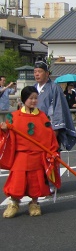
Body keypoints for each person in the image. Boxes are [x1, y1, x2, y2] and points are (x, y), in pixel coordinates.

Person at [1, 86, 61, 218]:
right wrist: (5, 130)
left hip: (37, 155)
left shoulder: (42, 116)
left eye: (35, 98)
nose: (34, 101)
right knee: (17, 180)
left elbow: (49, 135)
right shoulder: (14, 116)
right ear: (24, 99)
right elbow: (9, 136)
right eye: (30, 98)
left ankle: (34, 204)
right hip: (21, 154)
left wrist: (52, 151)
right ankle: (14, 203)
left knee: (36, 181)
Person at [33, 61, 76, 151]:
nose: (37, 74)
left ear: (47, 73)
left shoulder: (54, 88)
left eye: (40, 71)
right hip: (34, 128)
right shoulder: (32, 88)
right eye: (35, 72)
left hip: (49, 128)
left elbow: (58, 110)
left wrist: (54, 132)